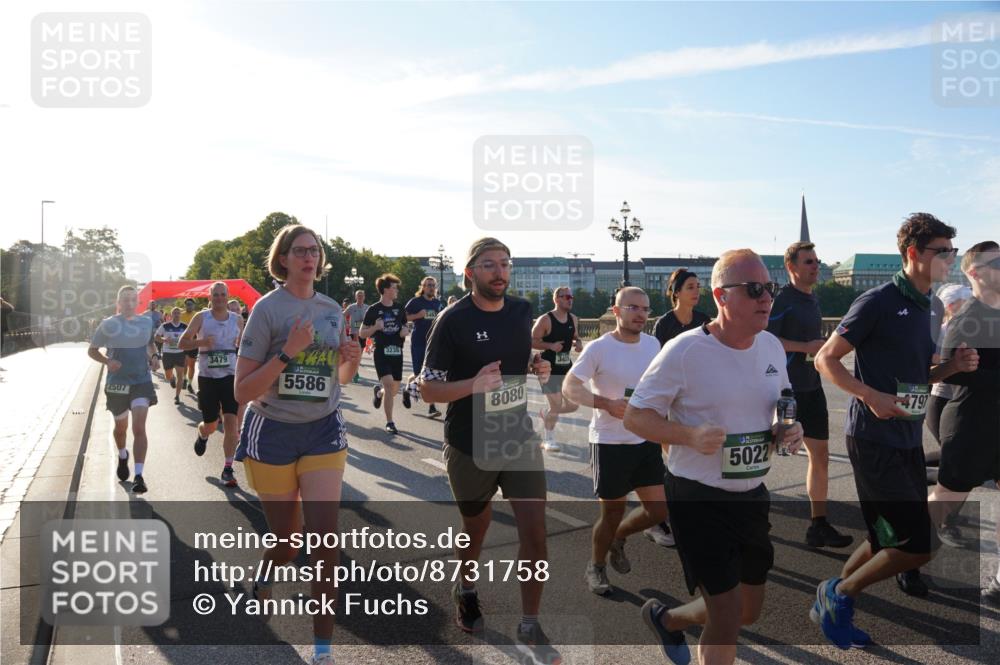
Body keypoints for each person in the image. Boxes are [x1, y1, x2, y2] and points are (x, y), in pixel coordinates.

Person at [625, 249, 802, 665]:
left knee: (747, 610)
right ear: (722, 297)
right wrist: (687, 434)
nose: (766, 298)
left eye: (769, 288)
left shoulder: (773, 347)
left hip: (752, 494)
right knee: (725, 615)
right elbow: (636, 417)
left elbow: (781, 405)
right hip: (696, 496)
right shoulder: (685, 350)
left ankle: (667, 620)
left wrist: (785, 429)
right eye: (754, 289)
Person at [812, 213, 978, 648]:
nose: (949, 259)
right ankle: (839, 593)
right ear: (912, 254)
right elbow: (826, 359)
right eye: (941, 251)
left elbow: (920, 372)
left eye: (952, 252)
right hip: (872, 437)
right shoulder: (878, 301)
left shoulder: (936, 305)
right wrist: (869, 395)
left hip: (906, 438)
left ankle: (834, 600)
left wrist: (953, 366)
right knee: (920, 546)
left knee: (883, 535)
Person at [417, 237, 559, 665]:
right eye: (489, 265)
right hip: (469, 442)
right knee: (475, 527)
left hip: (516, 435)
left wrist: (538, 366)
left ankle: (530, 622)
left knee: (535, 531)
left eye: (505, 264)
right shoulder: (452, 320)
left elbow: (519, 360)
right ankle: (467, 586)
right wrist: (472, 385)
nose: (500, 271)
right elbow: (427, 388)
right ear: (470, 273)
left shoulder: (520, 312)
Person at [233, 225, 360, 665]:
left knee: (325, 541)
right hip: (272, 431)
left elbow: (339, 382)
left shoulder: (330, 309)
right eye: (300, 250)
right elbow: (242, 391)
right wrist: (287, 351)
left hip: (323, 430)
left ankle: (322, 651)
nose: (310, 257)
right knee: (287, 542)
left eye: (315, 250)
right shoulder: (267, 310)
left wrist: (350, 360)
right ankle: (268, 570)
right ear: (283, 259)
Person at [563, 286, 667, 595]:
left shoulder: (653, 344)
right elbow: (570, 386)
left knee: (659, 511)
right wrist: (606, 404)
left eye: (645, 309)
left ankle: (617, 538)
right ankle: (595, 566)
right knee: (611, 514)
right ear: (616, 310)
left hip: (645, 439)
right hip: (609, 442)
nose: (640, 314)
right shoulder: (599, 348)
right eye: (633, 307)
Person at [767, 242, 853, 549]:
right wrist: (805, 347)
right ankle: (743, 509)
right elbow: (767, 340)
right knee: (769, 451)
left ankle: (818, 524)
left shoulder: (812, 298)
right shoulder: (782, 300)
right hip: (785, 390)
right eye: (808, 262)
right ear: (791, 267)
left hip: (812, 387)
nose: (816, 266)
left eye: (817, 261)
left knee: (821, 456)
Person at [927, 241, 999, 605]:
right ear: (974, 273)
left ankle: (999, 584)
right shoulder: (967, 317)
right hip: (970, 428)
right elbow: (952, 375)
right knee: (942, 505)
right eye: (997, 262)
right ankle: (900, 557)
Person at [646, 268, 711, 548]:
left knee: (694, 455)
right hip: (671, 395)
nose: (696, 291)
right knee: (673, 455)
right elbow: (658, 366)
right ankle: (663, 516)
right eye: (690, 287)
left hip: (699, 394)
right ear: (676, 292)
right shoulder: (665, 324)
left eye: (698, 286)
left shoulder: (703, 320)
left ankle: (693, 507)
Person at [88, 285, 161, 494]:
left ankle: (139, 475)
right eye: (125, 300)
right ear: (118, 303)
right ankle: (122, 455)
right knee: (121, 429)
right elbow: (92, 351)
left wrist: (154, 357)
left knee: (139, 428)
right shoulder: (108, 324)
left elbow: (149, 345)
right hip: (117, 383)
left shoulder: (146, 322)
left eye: (132, 299)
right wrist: (107, 360)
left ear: (137, 302)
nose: (129, 303)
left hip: (141, 381)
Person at [180, 281, 245, 487]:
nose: (219, 298)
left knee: (231, 424)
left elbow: (243, 347)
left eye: (222, 294)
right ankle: (202, 434)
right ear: (210, 297)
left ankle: (227, 468)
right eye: (215, 295)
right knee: (211, 424)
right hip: (208, 378)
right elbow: (183, 342)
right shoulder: (201, 318)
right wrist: (201, 343)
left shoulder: (237, 320)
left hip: (230, 377)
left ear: (227, 296)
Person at [925, 283, 973, 481]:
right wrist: (952, 361)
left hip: (961, 400)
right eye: (966, 302)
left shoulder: (971, 329)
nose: (971, 305)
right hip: (941, 401)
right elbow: (930, 357)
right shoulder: (942, 330)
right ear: (952, 306)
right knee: (955, 461)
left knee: (956, 456)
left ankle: (910, 467)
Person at [532, 286, 582, 452]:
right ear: (557, 299)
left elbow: (575, 337)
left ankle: (547, 414)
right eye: (566, 296)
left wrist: (578, 344)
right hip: (547, 367)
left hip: (566, 367)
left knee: (573, 405)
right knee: (555, 405)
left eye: (571, 297)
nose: (570, 299)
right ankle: (549, 440)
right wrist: (550, 345)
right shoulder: (545, 320)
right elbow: (532, 340)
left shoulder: (573, 319)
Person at [360, 274, 411, 434]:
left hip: (397, 352)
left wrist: (405, 331)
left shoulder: (400, 308)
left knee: (393, 389)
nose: (397, 290)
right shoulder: (374, 310)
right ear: (385, 289)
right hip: (381, 352)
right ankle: (390, 422)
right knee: (389, 385)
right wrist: (375, 328)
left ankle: (379, 392)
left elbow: (405, 327)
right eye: (394, 287)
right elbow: (362, 333)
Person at [405, 277, 445, 418]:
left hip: (433, 343)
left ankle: (431, 407)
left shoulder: (438, 303)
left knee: (429, 375)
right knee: (418, 374)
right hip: (418, 342)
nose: (431, 288)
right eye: (428, 285)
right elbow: (403, 317)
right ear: (423, 287)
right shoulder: (415, 302)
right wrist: (417, 315)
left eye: (433, 285)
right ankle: (408, 389)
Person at [155, 307, 187, 405]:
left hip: (180, 353)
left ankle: (177, 396)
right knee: (168, 376)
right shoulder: (165, 326)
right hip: (168, 353)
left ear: (180, 314)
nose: (177, 315)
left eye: (178, 313)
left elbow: (190, 337)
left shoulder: (185, 326)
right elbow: (156, 337)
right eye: (175, 313)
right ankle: (172, 378)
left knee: (180, 376)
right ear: (171, 315)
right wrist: (164, 340)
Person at [343, 290, 369, 382]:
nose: (360, 298)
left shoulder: (367, 308)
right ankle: (354, 372)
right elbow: (342, 315)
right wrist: (346, 323)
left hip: (362, 333)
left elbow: (372, 319)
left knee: (359, 354)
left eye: (362, 296)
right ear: (355, 297)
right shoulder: (351, 307)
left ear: (364, 297)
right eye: (358, 296)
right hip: (353, 333)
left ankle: (355, 371)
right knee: (353, 354)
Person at [179, 298, 199, 393]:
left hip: (194, 343)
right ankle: (184, 379)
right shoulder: (181, 315)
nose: (189, 306)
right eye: (187, 304)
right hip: (184, 343)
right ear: (185, 305)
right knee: (185, 363)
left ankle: (190, 384)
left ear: (194, 305)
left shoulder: (197, 315)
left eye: (191, 304)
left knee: (192, 365)